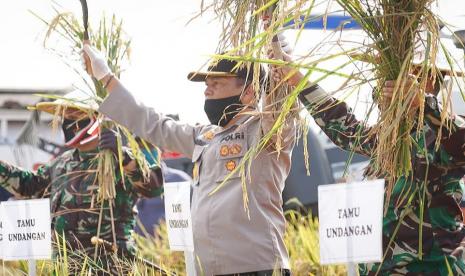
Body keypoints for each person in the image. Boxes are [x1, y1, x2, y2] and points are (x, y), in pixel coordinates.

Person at [82, 40, 297, 275]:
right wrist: (106, 77)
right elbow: (154, 123)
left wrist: (281, 69)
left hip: (258, 267)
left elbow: (281, 110)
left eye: (217, 83)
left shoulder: (264, 131)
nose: (207, 90)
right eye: (207, 84)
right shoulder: (204, 136)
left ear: (248, 92)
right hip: (210, 269)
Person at [272, 50, 465, 275]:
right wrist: (296, 78)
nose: (383, 89)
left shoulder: (440, 133)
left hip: (432, 266)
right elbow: (340, 122)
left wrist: (424, 105)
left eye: (393, 79)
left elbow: (460, 142)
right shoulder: (385, 138)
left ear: (428, 81)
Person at [0, 90, 164, 273]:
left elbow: (153, 188)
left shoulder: (120, 158)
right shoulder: (62, 162)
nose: (68, 121)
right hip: (65, 266)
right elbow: (28, 186)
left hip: (110, 267)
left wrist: (125, 158)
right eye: (65, 115)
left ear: (98, 117)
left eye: (76, 114)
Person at [134, 138, 192, 236]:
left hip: (164, 250)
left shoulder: (177, 181)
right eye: (139, 147)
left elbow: (182, 233)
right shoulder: (124, 183)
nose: (144, 152)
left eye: (149, 146)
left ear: (161, 150)